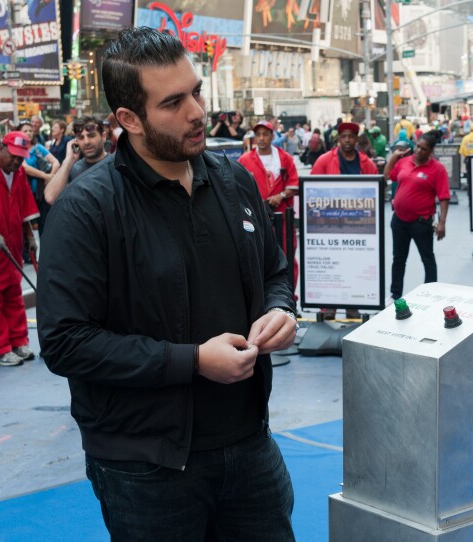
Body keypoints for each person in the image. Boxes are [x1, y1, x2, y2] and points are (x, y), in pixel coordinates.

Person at [37, 27, 298, 540]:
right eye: (173, 102)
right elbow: (66, 343)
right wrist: (194, 360)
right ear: (128, 119)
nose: (197, 112)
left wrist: (280, 309)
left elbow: (274, 270)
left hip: (250, 446)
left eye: (196, 91)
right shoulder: (87, 210)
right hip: (146, 467)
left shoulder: (232, 180)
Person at [310, 121, 379, 319]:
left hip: (359, 227)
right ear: (338, 139)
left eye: (351, 137)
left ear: (357, 139)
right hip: (330, 225)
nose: (347, 141)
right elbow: (312, 192)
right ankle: (328, 307)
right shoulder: (324, 161)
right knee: (332, 267)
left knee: (355, 265)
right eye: (343, 137)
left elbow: (376, 193)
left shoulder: (367, 163)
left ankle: (352, 305)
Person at [383, 131, 449, 301]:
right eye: (417, 146)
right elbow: (387, 175)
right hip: (398, 220)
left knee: (427, 258)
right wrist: (394, 157)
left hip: (421, 222)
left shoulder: (437, 169)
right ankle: (395, 294)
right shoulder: (405, 162)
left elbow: (444, 197)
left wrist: (442, 223)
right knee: (398, 259)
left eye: (423, 149)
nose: (419, 150)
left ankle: (430, 293)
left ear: (430, 151)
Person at [238, 120, 300, 288]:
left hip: (283, 219)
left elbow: (294, 184)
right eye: (258, 134)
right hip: (255, 219)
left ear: (273, 136)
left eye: (265, 134)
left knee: (287, 256)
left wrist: (280, 196)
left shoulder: (285, 158)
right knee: (258, 258)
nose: (262, 138)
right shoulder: (244, 160)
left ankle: (289, 297)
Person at [0, 131, 39, 366]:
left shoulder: (19, 173)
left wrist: (30, 235)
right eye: (13, 156)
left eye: (20, 158)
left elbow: (23, 204)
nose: (16, 162)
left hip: (11, 244)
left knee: (14, 294)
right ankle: (1, 347)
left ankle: (19, 341)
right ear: (1, 148)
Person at [43, 116, 109, 205]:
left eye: (91, 135)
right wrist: (68, 160)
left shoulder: (116, 165)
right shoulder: (74, 169)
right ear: (76, 141)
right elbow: (51, 197)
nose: (86, 142)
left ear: (103, 136)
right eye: (81, 137)